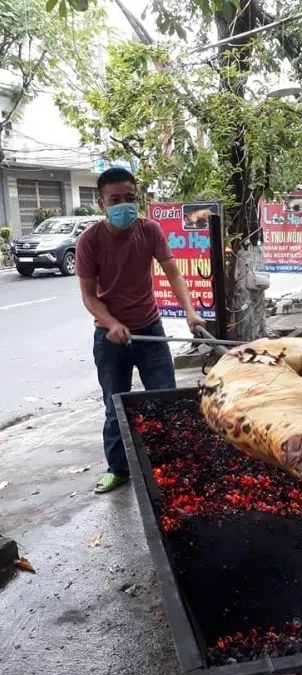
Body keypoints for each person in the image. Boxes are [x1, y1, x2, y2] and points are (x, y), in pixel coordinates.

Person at [77, 167, 206, 494]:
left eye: (130, 199)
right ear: (101, 202)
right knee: (115, 405)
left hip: (151, 331)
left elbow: (174, 274)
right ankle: (118, 469)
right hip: (110, 340)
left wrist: (191, 313)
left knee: (165, 400)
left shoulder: (150, 231)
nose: (124, 206)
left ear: (139, 199)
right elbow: (89, 297)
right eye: (115, 200)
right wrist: (112, 323)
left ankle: (171, 465)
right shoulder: (89, 241)